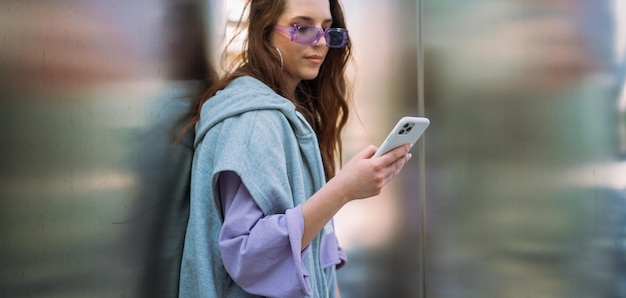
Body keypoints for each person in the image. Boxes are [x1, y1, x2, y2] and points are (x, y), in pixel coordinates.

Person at [178, 0, 413, 297]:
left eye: (328, 30)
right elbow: (247, 254)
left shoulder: (290, 115)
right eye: (303, 28)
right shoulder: (253, 122)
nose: (321, 44)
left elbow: (316, 248)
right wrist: (343, 190)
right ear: (265, 31)